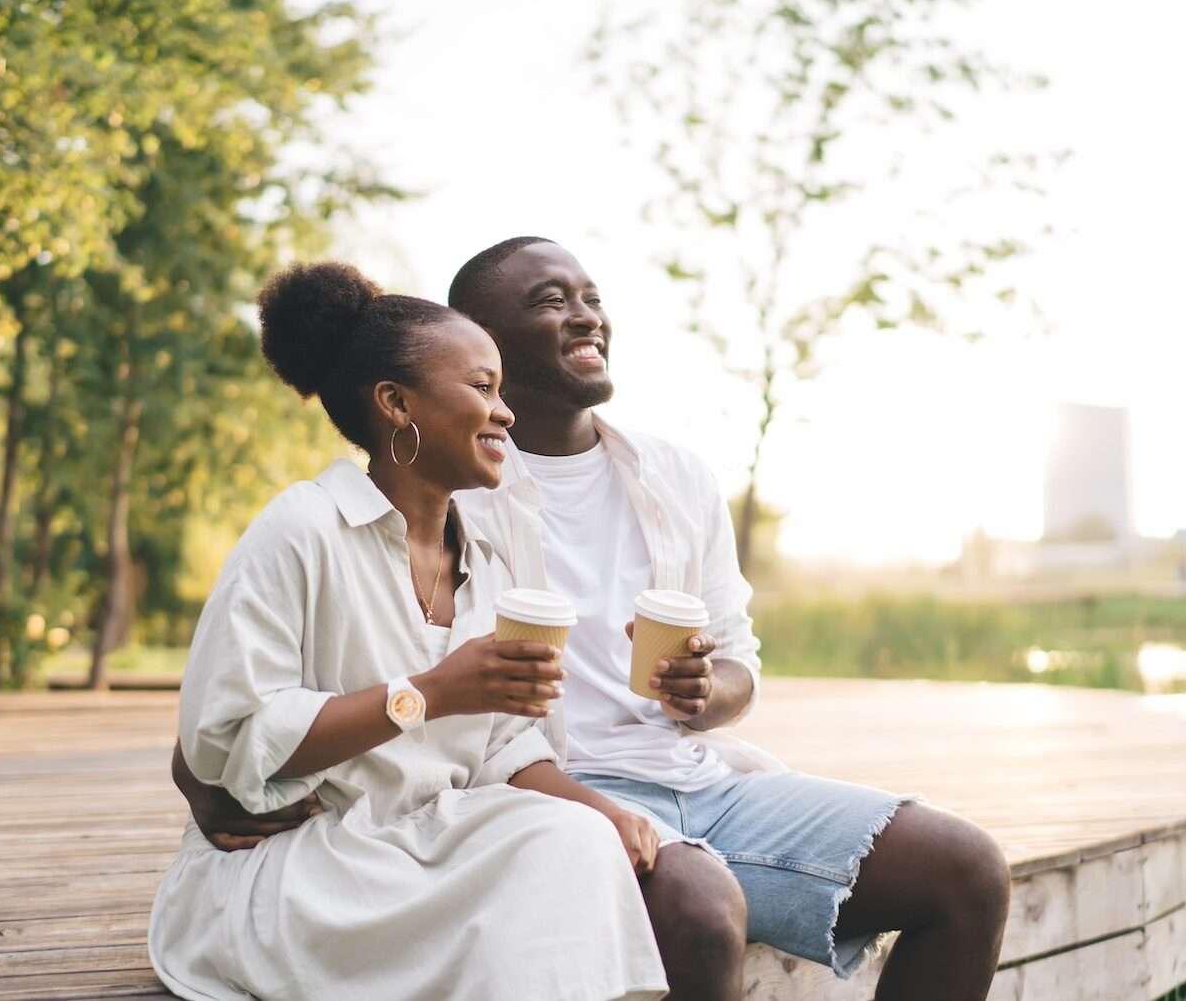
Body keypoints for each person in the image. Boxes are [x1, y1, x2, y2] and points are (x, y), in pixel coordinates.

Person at [178, 240, 1013, 1001]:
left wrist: (704, 690)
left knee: (967, 867)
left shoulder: (635, 487)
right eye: (548, 303)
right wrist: (219, 775)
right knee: (676, 900)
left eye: (589, 295)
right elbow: (229, 729)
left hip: (677, 782)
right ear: (417, 391)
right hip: (481, 812)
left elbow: (536, 731)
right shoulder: (424, 504)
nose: (584, 315)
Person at [148, 262, 670, 1001]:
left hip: (429, 845)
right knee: (530, 909)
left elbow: (505, 750)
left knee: (573, 839)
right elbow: (228, 740)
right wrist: (425, 695)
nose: (506, 412)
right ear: (396, 403)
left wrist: (606, 810)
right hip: (311, 864)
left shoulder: (487, 561)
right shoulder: (303, 529)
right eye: (481, 388)